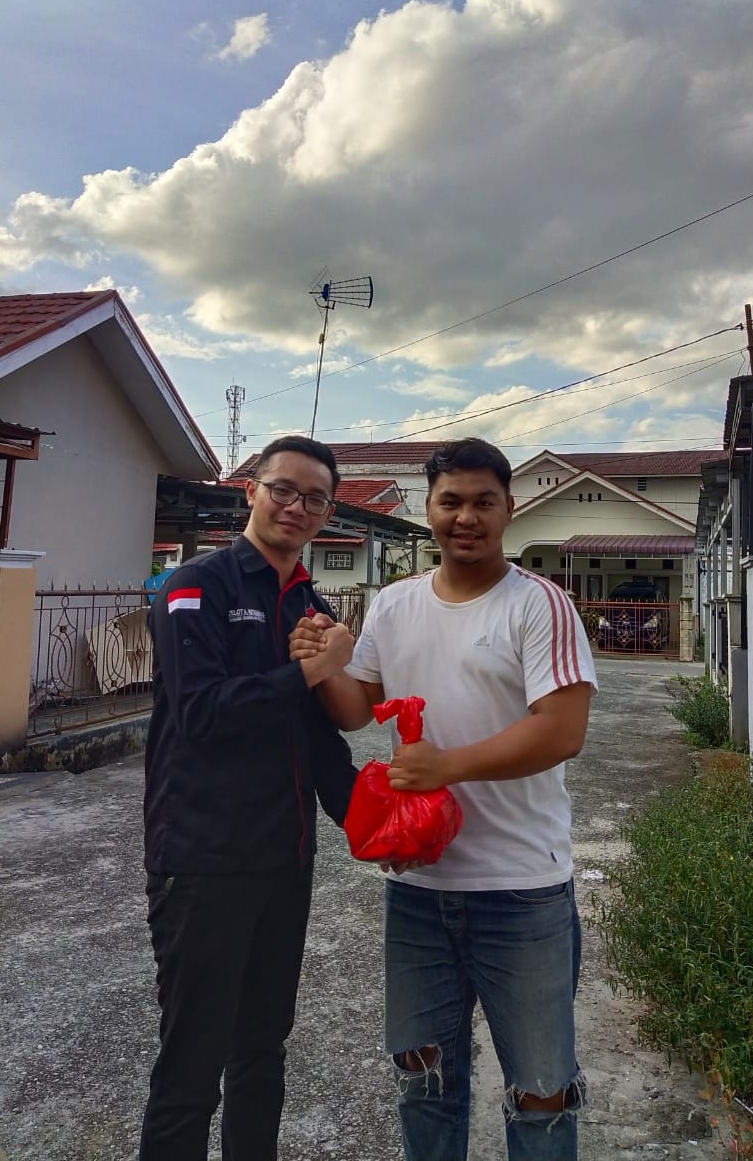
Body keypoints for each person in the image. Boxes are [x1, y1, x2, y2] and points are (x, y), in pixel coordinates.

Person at [291, 436, 597, 1161]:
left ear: (509, 510)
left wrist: (445, 767)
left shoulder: (539, 606)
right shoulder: (394, 606)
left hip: (522, 889)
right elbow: (356, 708)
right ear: (428, 509)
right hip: (419, 889)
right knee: (422, 1079)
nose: (466, 517)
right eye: (451, 501)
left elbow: (562, 731)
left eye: (483, 502)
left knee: (540, 1092)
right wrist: (318, 661)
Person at [139, 435, 358, 1161]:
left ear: (328, 512)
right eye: (283, 490)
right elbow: (201, 715)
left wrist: (373, 819)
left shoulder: (312, 606)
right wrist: (305, 673)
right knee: (191, 1068)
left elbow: (319, 736)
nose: (297, 507)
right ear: (250, 492)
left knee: (262, 1052)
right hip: (203, 863)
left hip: (284, 861)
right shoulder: (193, 588)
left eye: (315, 498)